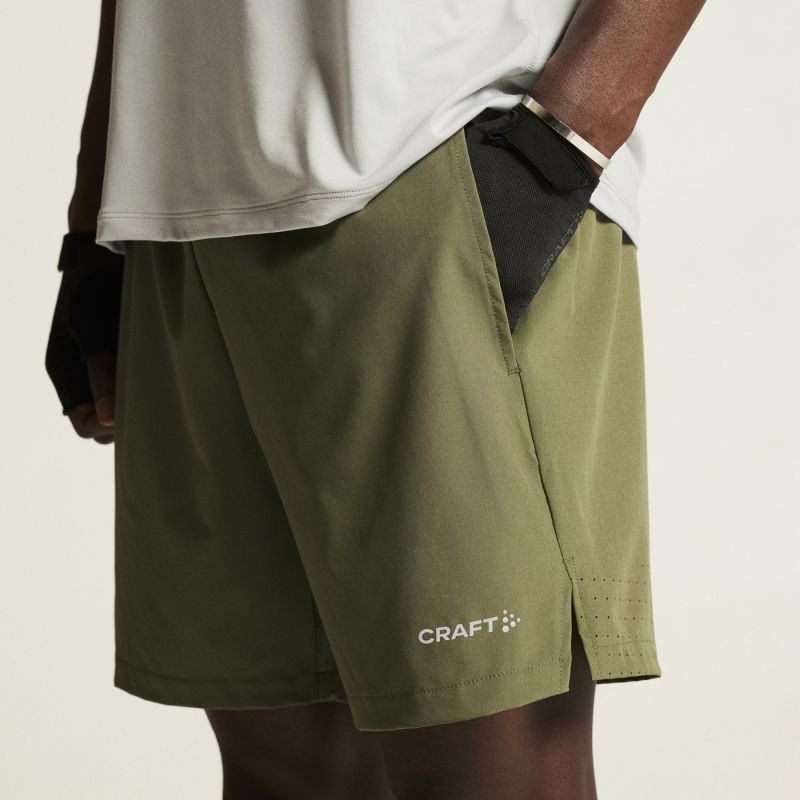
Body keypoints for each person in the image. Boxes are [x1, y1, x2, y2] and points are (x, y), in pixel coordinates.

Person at [46, 1, 706, 798]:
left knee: (493, 766)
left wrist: (555, 152)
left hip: (428, 159)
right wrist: (95, 218)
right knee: (286, 771)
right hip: (179, 204)